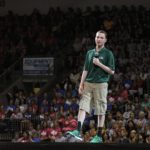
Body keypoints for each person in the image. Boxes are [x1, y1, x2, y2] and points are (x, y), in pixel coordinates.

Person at [67, 30, 115, 143]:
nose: (99, 39)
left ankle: (98, 136)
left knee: (100, 109)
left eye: (101, 37)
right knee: (82, 106)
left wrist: (99, 64)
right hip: (88, 83)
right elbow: (85, 69)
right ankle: (78, 131)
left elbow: (112, 71)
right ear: (95, 38)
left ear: (105, 40)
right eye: (97, 37)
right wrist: (81, 83)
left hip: (101, 84)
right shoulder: (89, 53)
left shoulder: (108, 53)